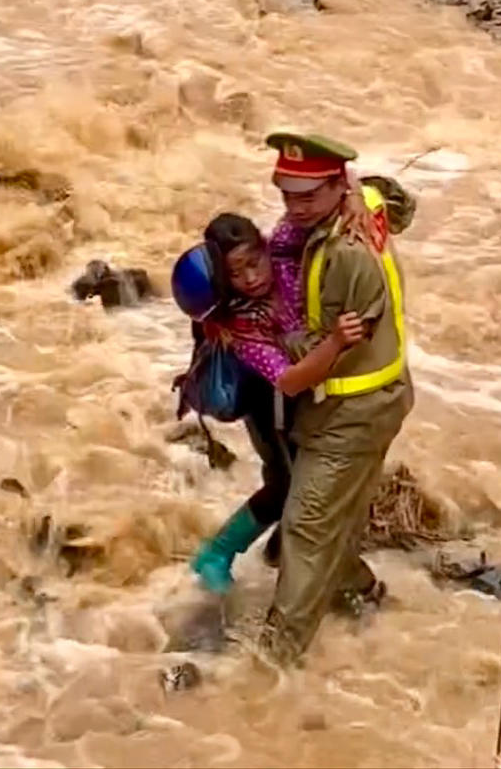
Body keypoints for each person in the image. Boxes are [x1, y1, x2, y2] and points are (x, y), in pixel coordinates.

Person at [254, 132, 415, 667]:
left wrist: (278, 339)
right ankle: (361, 593)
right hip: (374, 397)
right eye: (287, 196)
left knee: (305, 526)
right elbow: (399, 202)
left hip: (354, 408)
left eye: (308, 197)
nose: (295, 209)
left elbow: (325, 351)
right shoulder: (360, 205)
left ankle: (276, 660)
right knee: (331, 515)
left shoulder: (344, 254)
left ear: (335, 187)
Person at [175, 214, 365, 595]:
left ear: (264, 245)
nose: (250, 278)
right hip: (269, 401)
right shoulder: (241, 323)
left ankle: (279, 548)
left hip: (296, 393)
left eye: (254, 262)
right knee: (289, 483)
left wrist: (358, 195)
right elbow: (286, 379)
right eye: (236, 273)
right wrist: (336, 343)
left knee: (297, 481)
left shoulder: (282, 251)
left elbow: (319, 202)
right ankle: (218, 553)